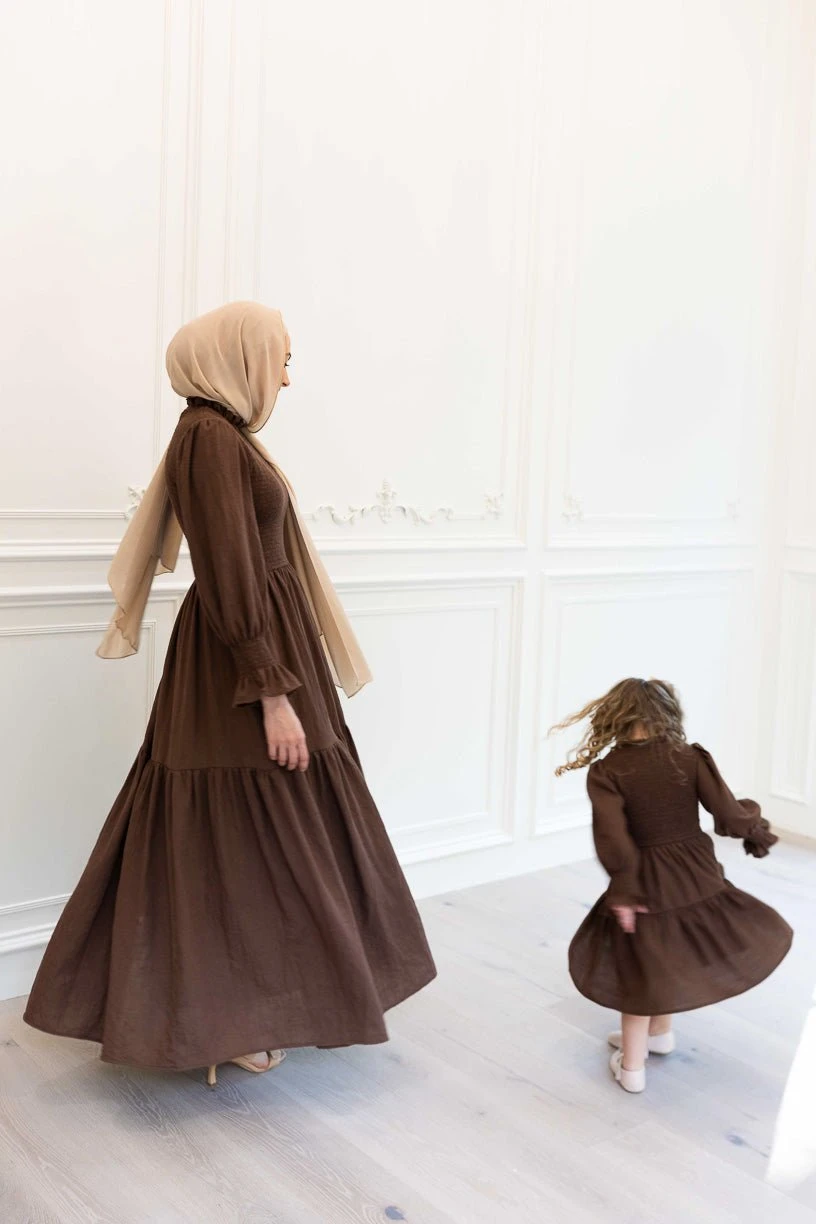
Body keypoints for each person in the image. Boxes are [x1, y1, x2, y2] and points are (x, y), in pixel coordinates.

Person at [24, 302, 437, 1084]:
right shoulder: (210, 439)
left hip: (262, 647)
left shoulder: (222, 436)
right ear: (237, 358)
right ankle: (225, 1021)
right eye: (281, 357)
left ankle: (248, 1008)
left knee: (260, 831)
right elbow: (228, 569)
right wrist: (271, 693)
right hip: (242, 660)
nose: (287, 375)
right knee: (250, 831)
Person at [551, 678, 792, 1094]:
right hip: (695, 870)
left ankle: (632, 1067)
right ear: (665, 714)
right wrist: (754, 827)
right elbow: (728, 813)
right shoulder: (688, 757)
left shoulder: (607, 771)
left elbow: (613, 838)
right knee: (671, 951)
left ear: (613, 719)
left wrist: (625, 889)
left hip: (645, 877)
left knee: (639, 969)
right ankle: (659, 1034)